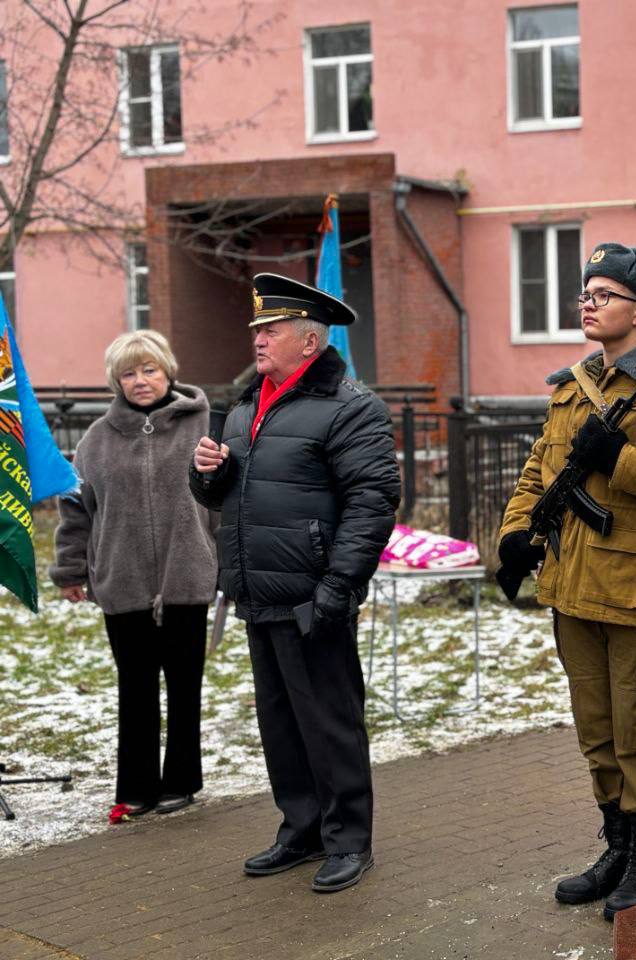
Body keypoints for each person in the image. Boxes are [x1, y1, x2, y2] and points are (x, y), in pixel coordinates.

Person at [499, 242, 636, 920]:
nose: (588, 303)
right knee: (596, 731)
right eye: (585, 293)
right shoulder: (569, 388)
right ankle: (615, 846)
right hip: (572, 588)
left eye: (604, 294)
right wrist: (514, 535)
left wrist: (619, 456)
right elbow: (537, 472)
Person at [189, 273, 399, 894]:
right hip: (259, 593)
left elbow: (373, 501)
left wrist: (338, 585)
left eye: (270, 328)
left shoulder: (350, 406)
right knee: (280, 722)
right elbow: (230, 496)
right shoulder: (248, 404)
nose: (257, 337)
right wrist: (207, 476)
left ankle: (348, 840)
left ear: (309, 341)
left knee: (329, 720)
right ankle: (301, 828)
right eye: (256, 328)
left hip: (314, 595)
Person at [51, 330, 217, 819]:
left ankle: (182, 780)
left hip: (187, 575)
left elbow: (228, 501)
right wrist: (69, 569)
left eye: (149, 369)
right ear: (115, 382)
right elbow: (75, 511)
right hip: (121, 582)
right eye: (128, 373)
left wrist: (229, 562)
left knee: (185, 684)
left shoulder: (206, 426)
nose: (140, 380)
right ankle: (138, 786)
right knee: (135, 687)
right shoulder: (95, 441)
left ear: (168, 371)